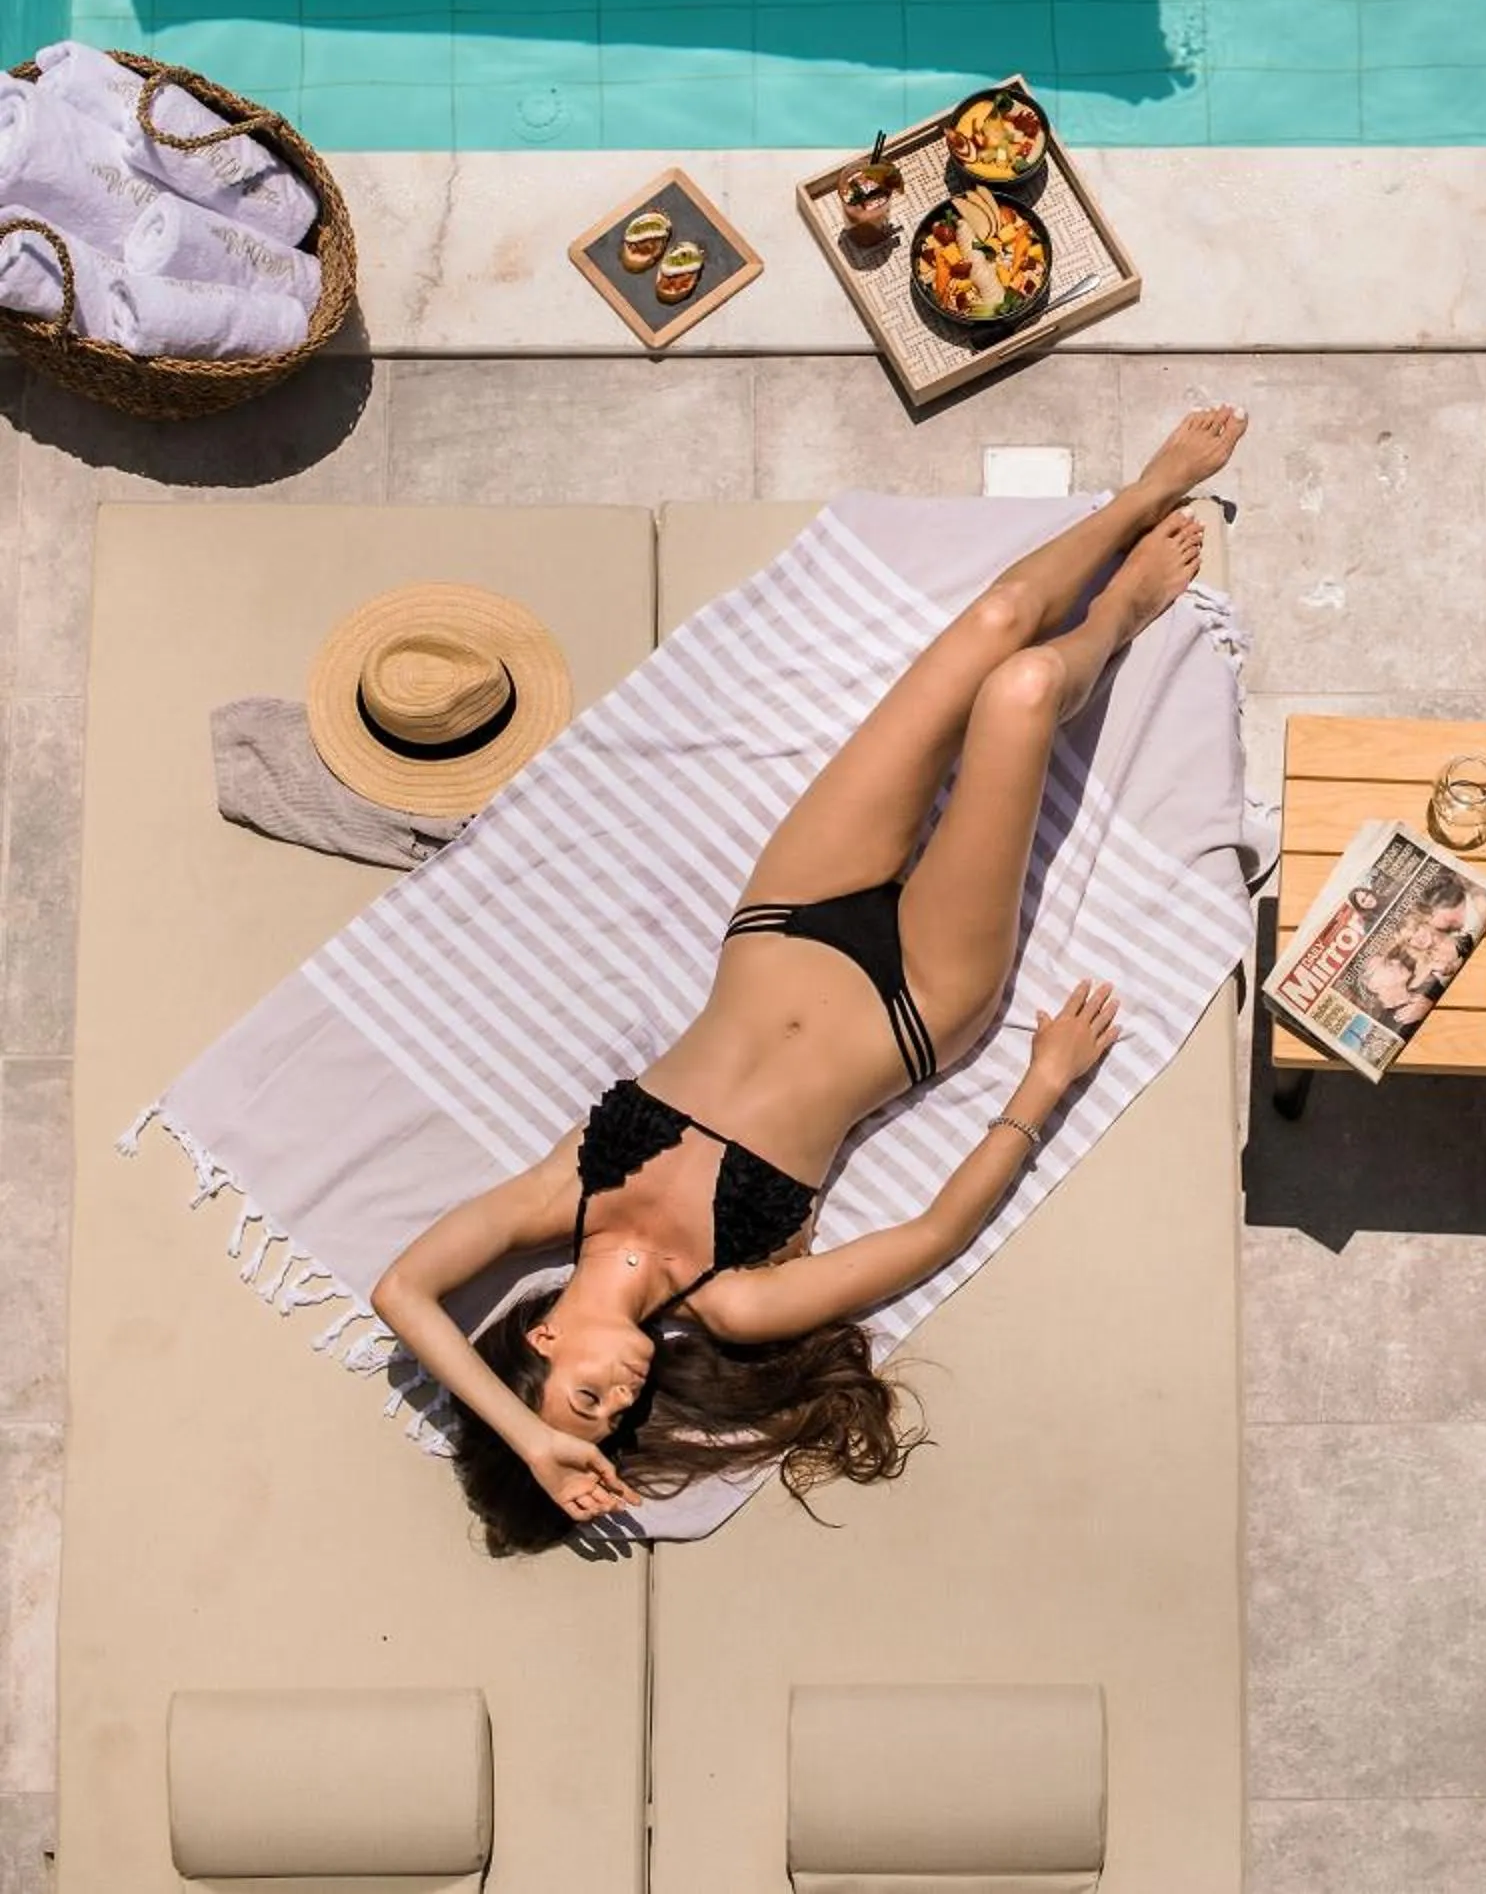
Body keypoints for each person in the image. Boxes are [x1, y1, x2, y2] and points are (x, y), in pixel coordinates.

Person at [372, 405, 1249, 1555]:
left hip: (785, 913)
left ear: (539, 1344)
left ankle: (1134, 497)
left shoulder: (555, 1195)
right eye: (617, 1419)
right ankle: (1123, 613)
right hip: (918, 998)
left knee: (989, 627)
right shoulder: (733, 1298)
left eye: (587, 1399)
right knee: (1024, 691)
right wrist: (1041, 1086)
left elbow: (402, 1294)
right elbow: (931, 1233)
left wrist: (527, 1441)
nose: (622, 1395)